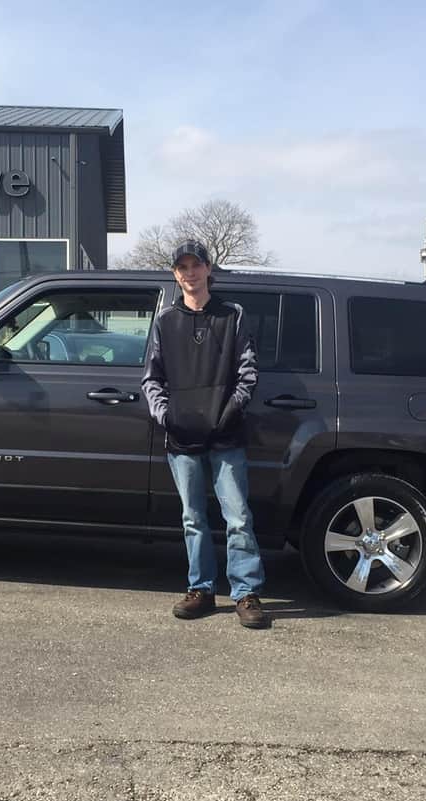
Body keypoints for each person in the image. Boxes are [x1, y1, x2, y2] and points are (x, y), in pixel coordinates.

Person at [141, 240, 269, 629]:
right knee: (193, 518)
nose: (190, 273)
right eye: (182, 267)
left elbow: (248, 372)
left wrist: (230, 412)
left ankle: (246, 592)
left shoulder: (233, 315)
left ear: (208, 269)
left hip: (226, 437)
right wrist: (167, 417)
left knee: (238, 517)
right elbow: (151, 379)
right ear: (175, 274)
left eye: (196, 265)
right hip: (181, 440)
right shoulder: (165, 321)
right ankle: (201, 588)